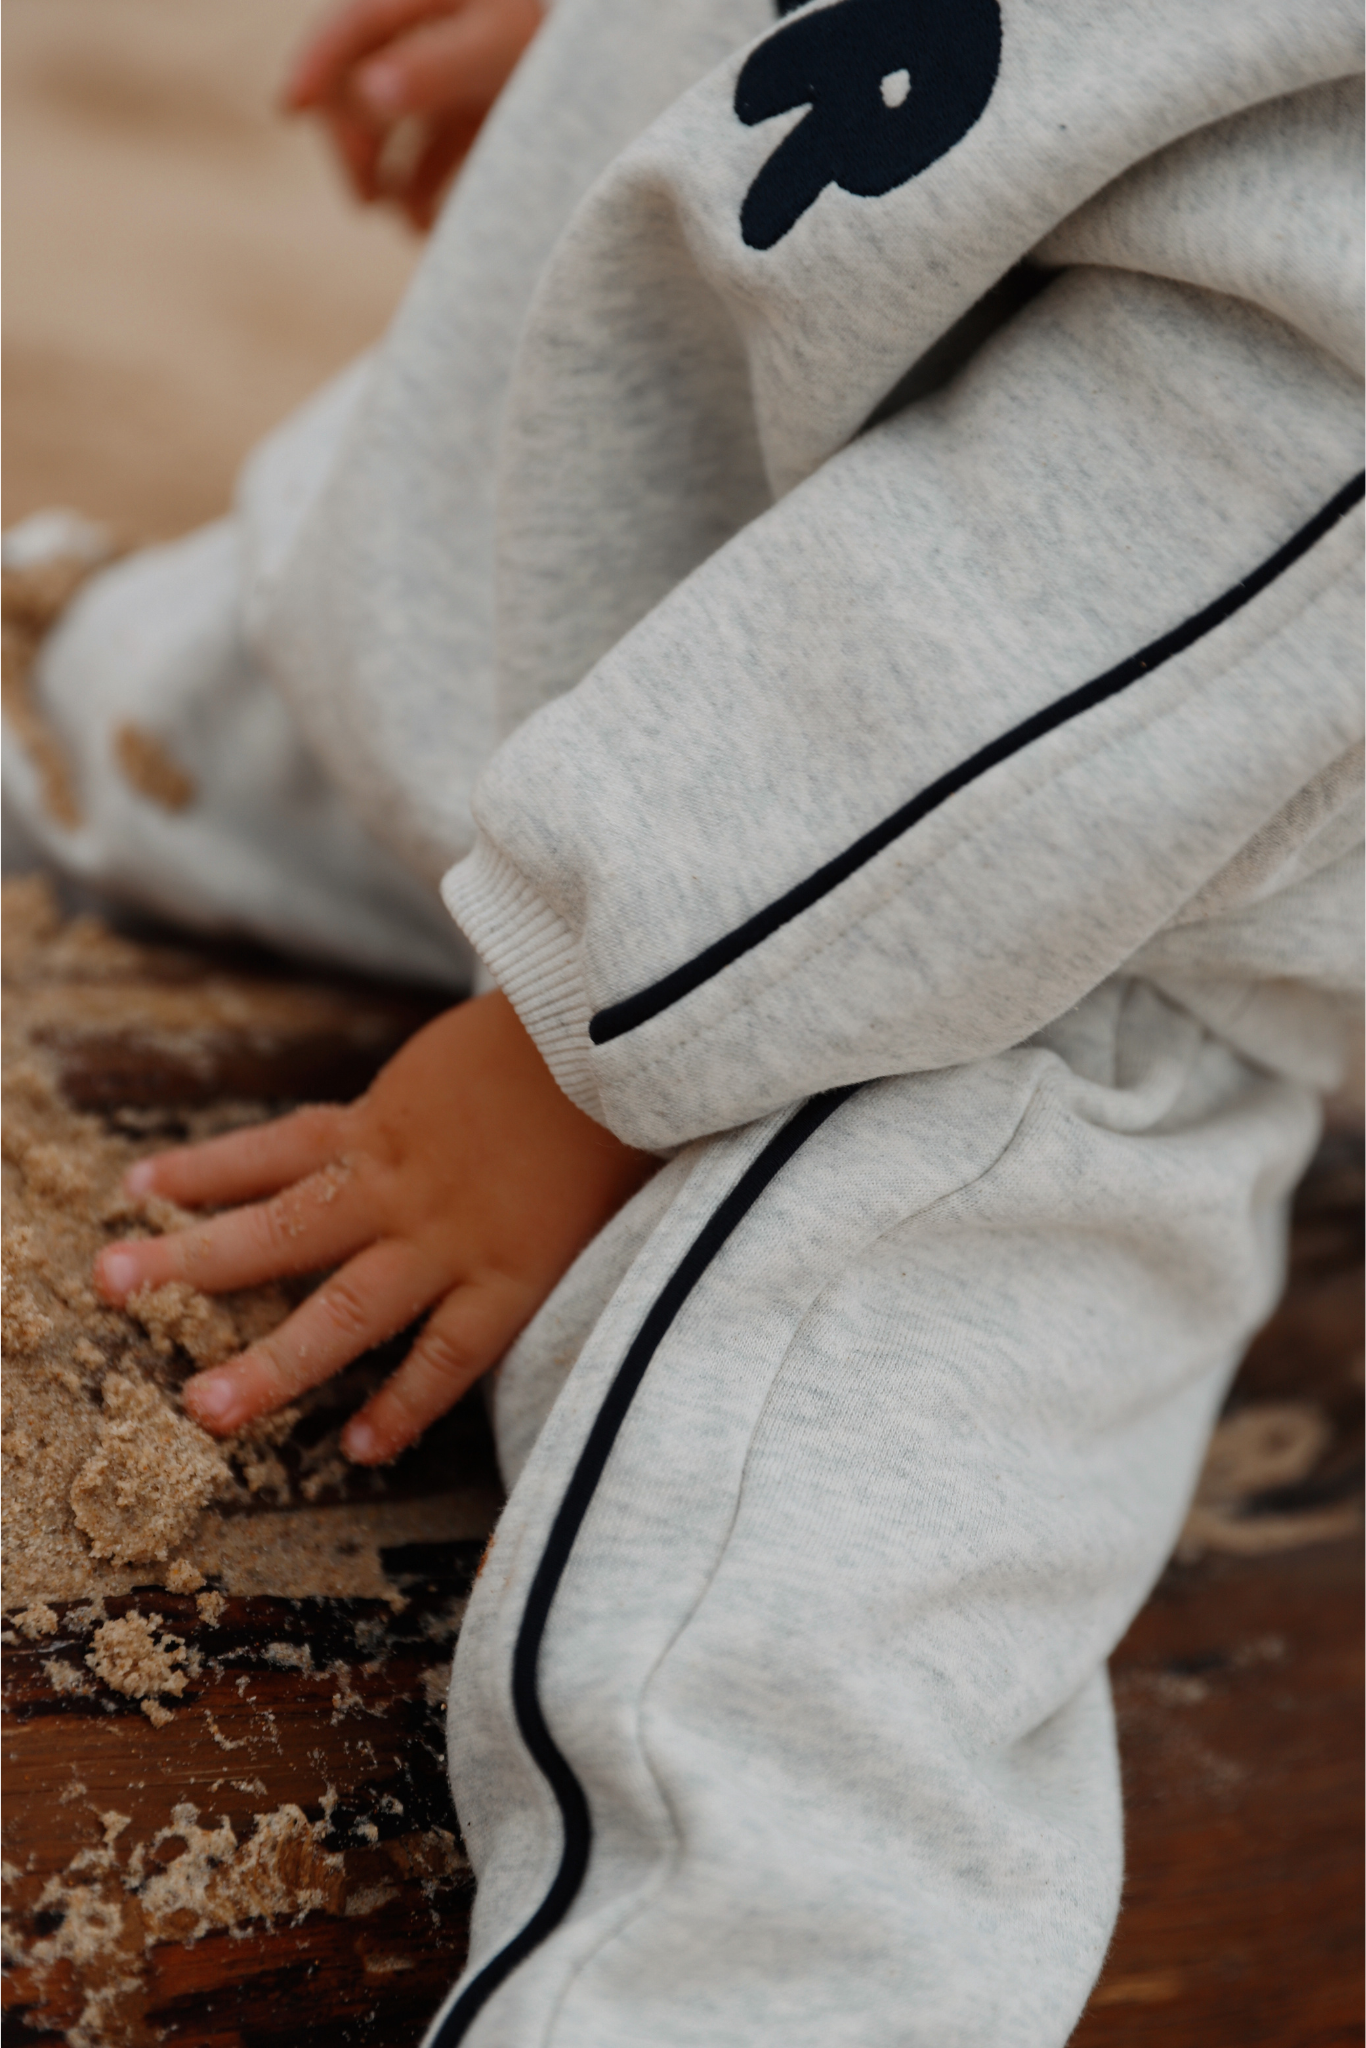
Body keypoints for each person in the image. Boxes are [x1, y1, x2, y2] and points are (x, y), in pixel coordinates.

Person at [4, 0, 1361, 2041]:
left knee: (763, 1637)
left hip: (1028, 928)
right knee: (93, 707)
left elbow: (1144, 561)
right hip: (563, 594)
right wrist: (645, 65)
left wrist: (575, 1022)